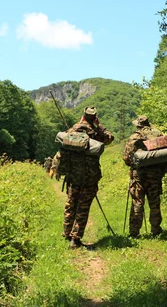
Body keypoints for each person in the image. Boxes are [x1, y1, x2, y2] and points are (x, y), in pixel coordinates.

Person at [61, 106, 114, 249]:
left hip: (73, 175)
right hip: (90, 176)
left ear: (83, 115)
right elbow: (110, 138)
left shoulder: (73, 130)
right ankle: (75, 239)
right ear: (95, 117)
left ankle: (66, 233)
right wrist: (100, 125)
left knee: (71, 203)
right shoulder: (96, 132)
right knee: (83, 207)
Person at [122, 115, 167, 238]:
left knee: (138, 203)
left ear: (139, 125)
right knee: (154, 202)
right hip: (155, 174)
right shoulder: (158, 134)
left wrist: (132, 165)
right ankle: (156, 230)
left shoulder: (136, 136)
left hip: (139, 175)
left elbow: (126, 156)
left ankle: (134, 233)